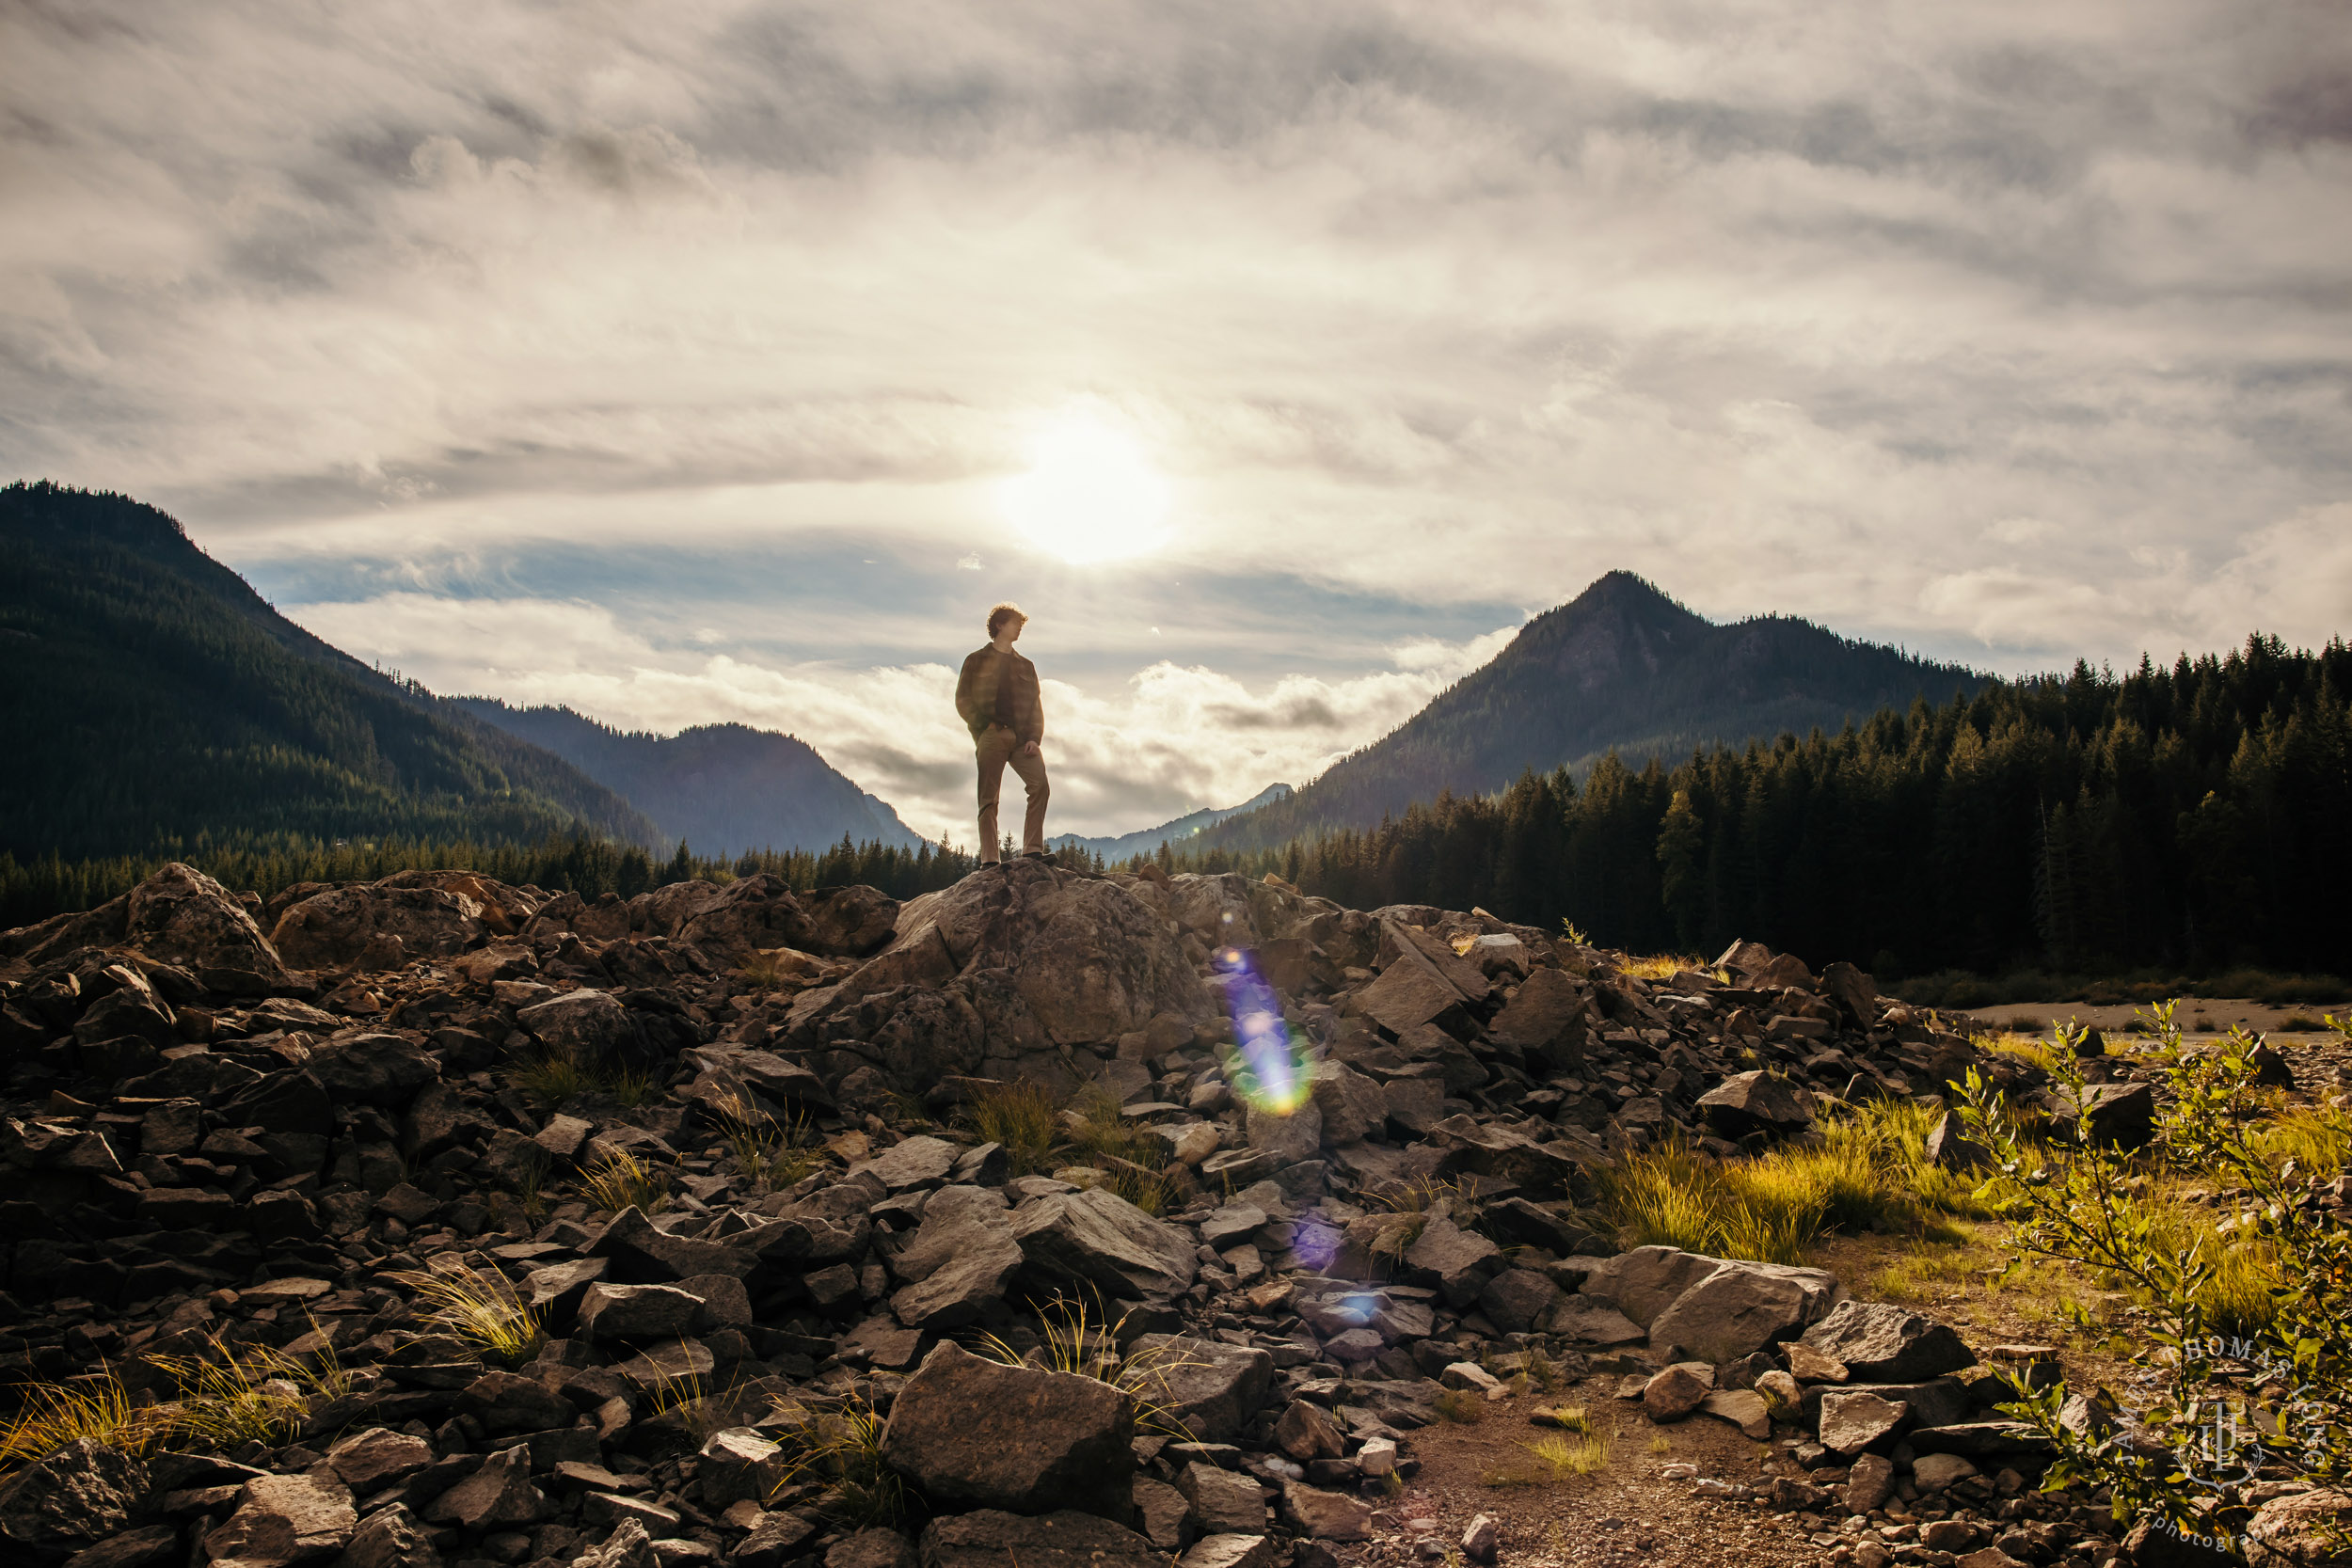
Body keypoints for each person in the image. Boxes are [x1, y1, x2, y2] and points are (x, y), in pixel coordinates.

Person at [955, 602, 1049, 863]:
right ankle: (990, 860)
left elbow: (1035, 706)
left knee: (1040, 785)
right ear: (999, 625)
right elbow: (962, 699)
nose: (1019, 628)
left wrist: (1034, 738)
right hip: (991, 735)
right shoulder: (975, 660)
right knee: (988, 798)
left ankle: (1032, 851)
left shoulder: (1026, 666)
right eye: (1015, 623)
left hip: (1022, 740)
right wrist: (983, 727)